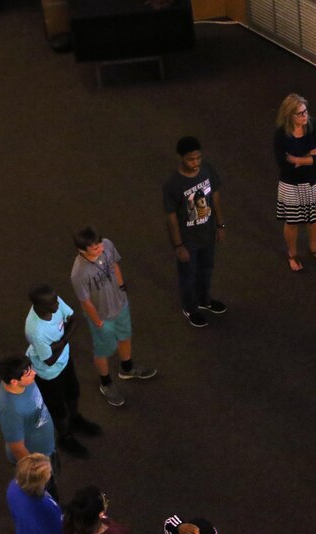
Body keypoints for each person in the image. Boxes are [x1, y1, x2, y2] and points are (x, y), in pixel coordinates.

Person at [70, 227, 156, 407]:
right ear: (82, 251)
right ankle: (105, 382)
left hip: (120, 305)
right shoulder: (79, 273)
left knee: (125, 337)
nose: (99, 248)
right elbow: (85, 302)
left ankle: (127, 368)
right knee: (103, 351)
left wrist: (122, 286)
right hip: (102, 317)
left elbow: (115, 264)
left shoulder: (107, 245)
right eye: (94, 248)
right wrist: (99, 322)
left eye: (99, 243)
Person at [25, 283, 102, 459]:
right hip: (48, 374)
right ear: (41, 306)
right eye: (52, 302)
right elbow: (49, 360)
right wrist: (64, 340)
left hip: (64, 360)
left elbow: (74, 319)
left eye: (55, 298)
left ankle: (75, 420)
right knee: (58, 408)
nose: (58, 303)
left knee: (73, 392)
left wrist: (60, 343)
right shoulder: (36, 330)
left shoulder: (54, 301)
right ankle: (65, 436)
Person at [163, 136, 228, 327]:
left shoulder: (207, 170)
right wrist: (178, 245)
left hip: (207, 234)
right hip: (188, 240)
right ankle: (190, 308)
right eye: (191, 159)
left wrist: (220, 225)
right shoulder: (172, 184)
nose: (196, 162)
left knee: (206, 270)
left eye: (198, 158)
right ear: (181, 158)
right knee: (188, 275)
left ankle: (204, 300)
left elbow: (215, 197)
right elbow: (171, 217)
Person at [275, 93, 316, 271]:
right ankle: (292, 254)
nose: (304, 116)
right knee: (292, 222)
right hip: (292, 183)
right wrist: (309, 156)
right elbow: (283, 164)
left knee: (315, 217)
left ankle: (314, 248)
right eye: (300, 113)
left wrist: (297, 159)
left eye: (305, 111)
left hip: (315, 179)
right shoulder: (281, 134)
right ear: (289, 116)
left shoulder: (315, 126)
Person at [0, 355, 60, 501]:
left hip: (47, 447)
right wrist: (38, 471)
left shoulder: (21, 382)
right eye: (28, 373)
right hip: (36, 458)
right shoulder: (10, 411)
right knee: (46, 492)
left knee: (53, 479)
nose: (34, 373)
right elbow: (17, 448)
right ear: (14, 381)